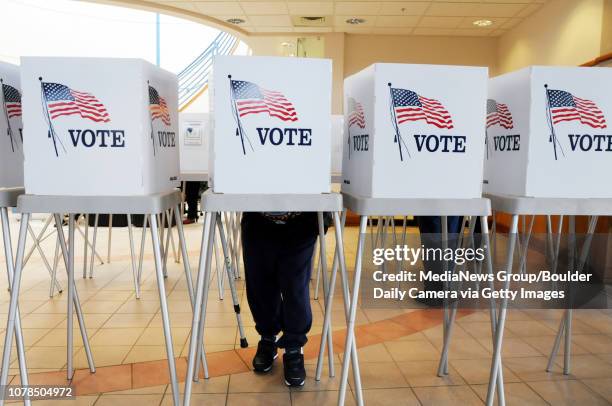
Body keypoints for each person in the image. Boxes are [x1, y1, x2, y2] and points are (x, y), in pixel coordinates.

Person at [241, 211, 319, 386]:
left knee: (295, 288)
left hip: (301, 220)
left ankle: (294, 348)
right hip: (257, 218)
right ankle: (268, 338)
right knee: (260, 284)